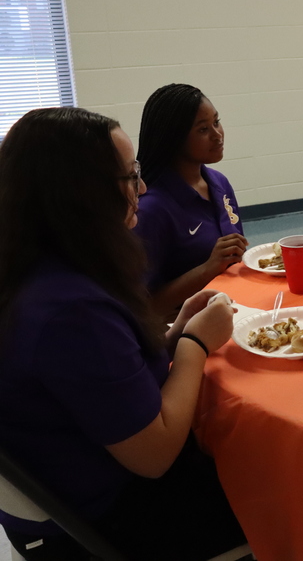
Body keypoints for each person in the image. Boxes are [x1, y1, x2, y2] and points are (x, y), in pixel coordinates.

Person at [0, 108, 247, 560]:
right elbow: (154, 457)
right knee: (287, 480)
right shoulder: (69, 309)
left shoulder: (37, 267)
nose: (143, 188)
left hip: (81, 482)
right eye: (130, 176)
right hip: (103, 520)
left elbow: (109, 379)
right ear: (80, 194)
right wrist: (195, 343)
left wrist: (171, 336)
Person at [135, 84, 247, 318]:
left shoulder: (219, 182)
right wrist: (206, 269)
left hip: (236, 309)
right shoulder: (151, 208)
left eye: (216, 122)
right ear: (174, 139)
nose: (217, 135)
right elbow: (141, 309)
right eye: (203, 129)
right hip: (184, 332)